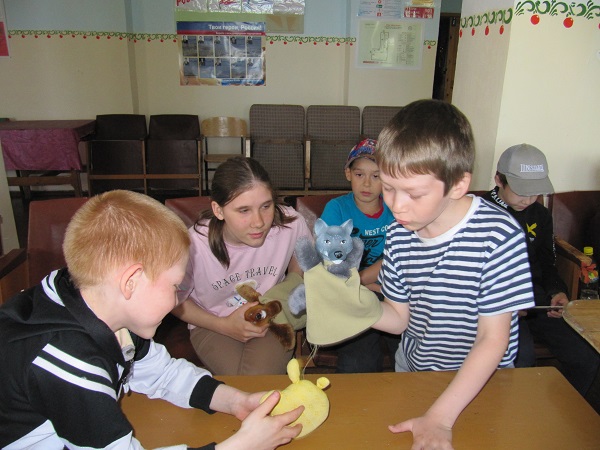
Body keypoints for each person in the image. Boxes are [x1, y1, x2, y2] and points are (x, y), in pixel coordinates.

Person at [0, 190, 303, 450]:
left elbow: (163, 374)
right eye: (175, 286)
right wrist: (240, 445)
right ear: (131, 282)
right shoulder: (69, 362)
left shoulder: (102, 304)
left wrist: (235, 401)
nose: (178, 299)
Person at [371, 99, 535, 449]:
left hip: (481, 383)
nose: (396, 205)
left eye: (414, 193)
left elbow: (492, 339)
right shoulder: (398, 235)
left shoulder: (498, 236)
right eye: (388, 187)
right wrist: (350, 306)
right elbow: (399, 320)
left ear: (458, 185)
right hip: (415, 373)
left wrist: (441, 417)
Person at [172, 156, 311, 375]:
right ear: (218, 210)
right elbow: (175, 300)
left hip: (271, 316)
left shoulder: (291, 224)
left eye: (266, 206)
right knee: (245, 383)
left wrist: (288, 289)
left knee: (255, 379)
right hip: (212, 321)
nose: (259, 222)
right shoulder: (193, 245)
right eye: (244, 210)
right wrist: (224, 325)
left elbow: (302, 260)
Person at [483, 143, 600, 397]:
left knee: (586, 356)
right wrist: (504, 303)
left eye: (535, 193)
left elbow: (547, 262)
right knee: (521, 358)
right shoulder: (478, 212)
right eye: (521, 191)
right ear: (499, 180)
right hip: (495, 303)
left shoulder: (540, 215)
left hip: (535, 299)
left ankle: (560, 409)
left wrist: (556, 291)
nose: (528, 199)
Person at [320, 138, 400, 373]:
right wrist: (366, 283)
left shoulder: (396, 207)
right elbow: (333, 263)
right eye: (359, 174)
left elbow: (399, 257)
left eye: (376, 176)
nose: (367, 183)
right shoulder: (337, 209)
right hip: (349, 294)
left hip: (392, 293)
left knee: (407, 349)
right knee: (359, 360)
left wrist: (365, 281)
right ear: (348, 174)